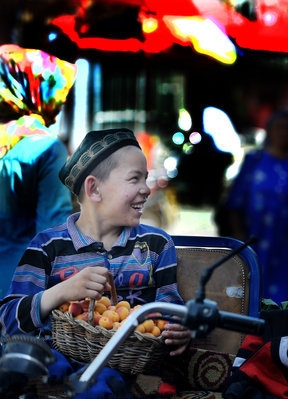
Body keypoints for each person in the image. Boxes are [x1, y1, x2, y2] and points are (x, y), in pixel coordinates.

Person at [0, 128, 191, 397]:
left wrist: (180, 329)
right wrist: (60, 292)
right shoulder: (47, 246)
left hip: (123, 366)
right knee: (22, 369)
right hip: (56, 359)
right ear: (94, 188)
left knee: (100, 382)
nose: (146, 190)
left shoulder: (157, 245)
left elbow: (170, 310)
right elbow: (7, 320)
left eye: (145, 179)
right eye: (134, 179)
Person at [0, 44, 76, 298]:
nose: (60, 103)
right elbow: (53, 236)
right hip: (18, 293)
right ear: (34, 90)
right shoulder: (45, 148)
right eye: (57, 92)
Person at [224, 110, 288, 305]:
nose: (284, 133)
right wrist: (240, 237)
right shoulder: (254, 161)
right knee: (253, 294)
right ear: (269, 131)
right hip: (255, 240)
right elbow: (235, 202)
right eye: (279, 128)